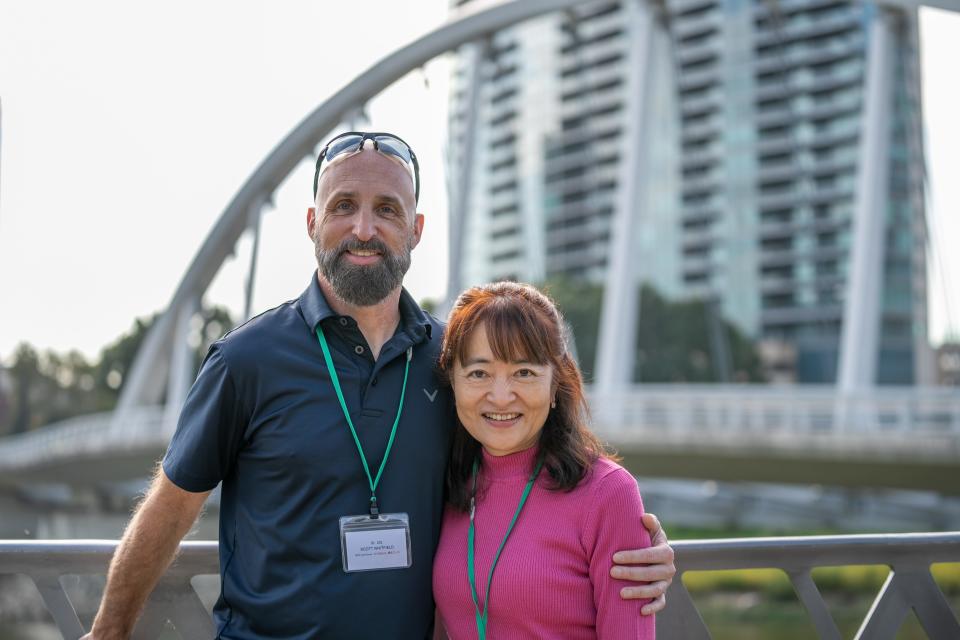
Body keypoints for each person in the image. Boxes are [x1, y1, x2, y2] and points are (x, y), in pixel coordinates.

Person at [83, 132, 674, 639]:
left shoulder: (455, 362)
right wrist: (108, 631)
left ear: (415, 230)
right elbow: (171, 506)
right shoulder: (246, 360)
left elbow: (530, 462)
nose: (363, 228)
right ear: (313, 223)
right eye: (344, 206)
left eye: (387, 210)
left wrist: (632, 544)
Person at [432, 282, 655, 639]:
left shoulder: (608, 493)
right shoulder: (444, 484)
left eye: (524, 373)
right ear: (453, 383)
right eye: (479, 373)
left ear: (555, 386)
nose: (501, 397)